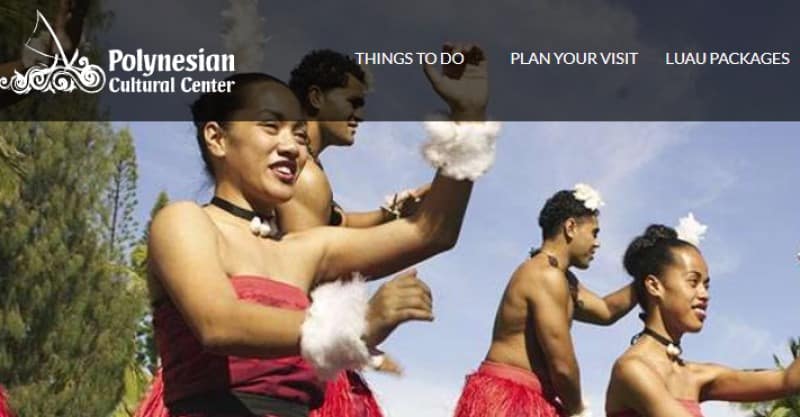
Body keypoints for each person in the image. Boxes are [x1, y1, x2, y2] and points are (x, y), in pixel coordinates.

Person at [136, 43, 497, 417]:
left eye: (298, 134)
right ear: (217, 138)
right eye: (270, 126)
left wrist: (468, 116)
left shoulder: (305, 248)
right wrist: (356, 325)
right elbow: (218, 322)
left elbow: (432, 231)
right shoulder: (184, 221)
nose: (292, 146)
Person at [279, 49, 432, 417]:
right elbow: (314, 272)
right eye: (352, 101)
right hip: (289, 360)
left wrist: (392, 212)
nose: (359, 114)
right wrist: (370, 320)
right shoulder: (305, 174)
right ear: (316, 97)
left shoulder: (299, 165)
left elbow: (338, 223)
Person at [454, 185, 638, 417]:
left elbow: (605, 310)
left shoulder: (562, 279)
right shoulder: (545, 276)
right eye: (594, 233)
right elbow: (562, 367)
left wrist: (650, 276)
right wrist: (577, 411)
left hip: (530, 400)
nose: (597, 243)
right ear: (570, 227)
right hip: (507, 402)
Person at [605, 222, 800, 417]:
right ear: (654, 286)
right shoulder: (632, 370)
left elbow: (789, 381)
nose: (704, 294)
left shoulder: (695, 375)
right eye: (693, 282)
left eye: (706, 285)